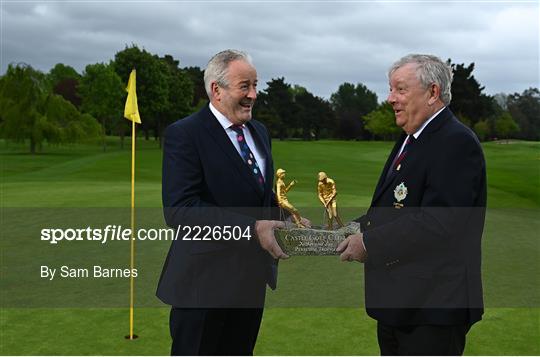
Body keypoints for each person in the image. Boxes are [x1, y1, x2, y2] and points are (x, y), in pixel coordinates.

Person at [337, 54, 486, 355]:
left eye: (400, 89)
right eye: (390, 89)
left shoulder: (455, 142)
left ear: (433, 92)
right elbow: (395, 210)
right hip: (401, 306)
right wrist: (345, 230)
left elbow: (439, 223)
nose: (390, 99)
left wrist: (368, 242)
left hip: (433, 310)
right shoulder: (411, 138)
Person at [157, 49, 290, 356]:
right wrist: (253, 229)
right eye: (245, 86)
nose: (253, 95)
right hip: (202, 287)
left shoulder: (259, 131)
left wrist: (285, 216)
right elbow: (180, 210)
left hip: (251, 283)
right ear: (216, 90)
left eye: (256, 85)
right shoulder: (185, 134)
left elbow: (257, 194)